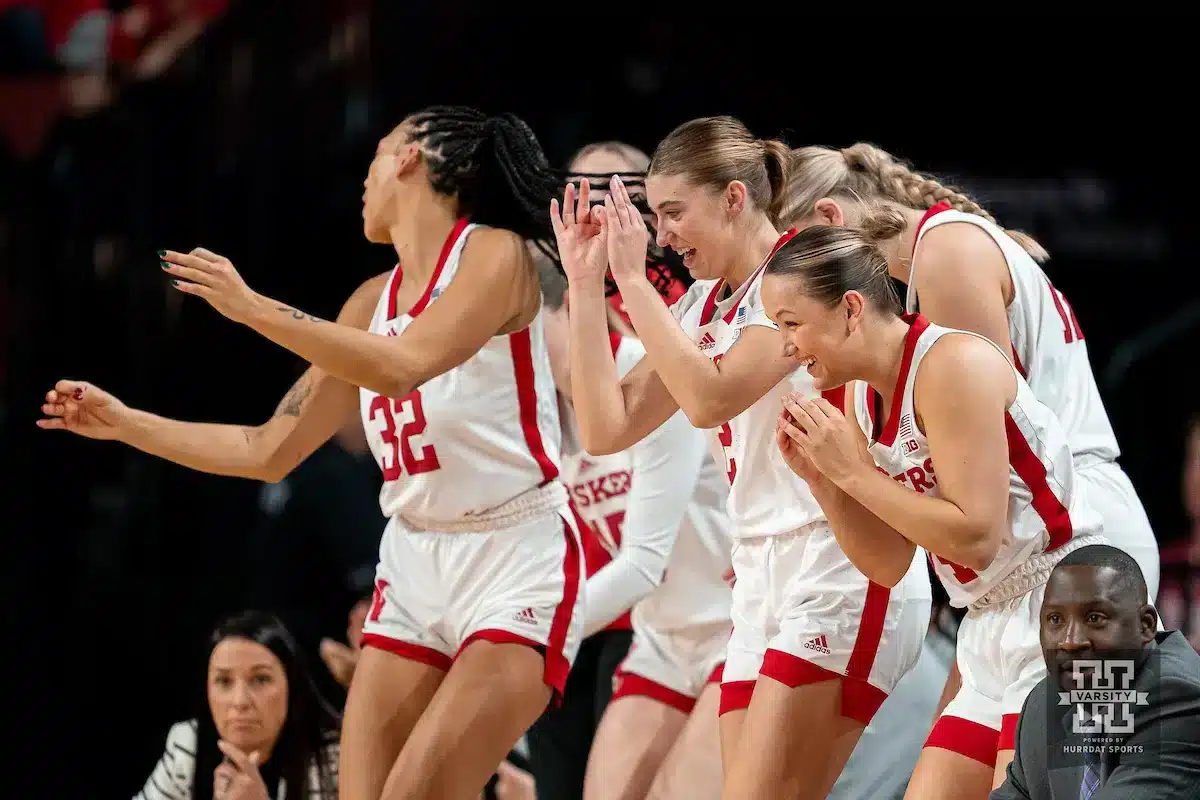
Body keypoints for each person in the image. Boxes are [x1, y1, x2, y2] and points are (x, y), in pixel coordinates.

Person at [41, 105, 583, 800]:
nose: (365, 178)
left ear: (411, 157)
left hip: (515, 557)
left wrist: (253, 308)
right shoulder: (368, 301)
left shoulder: (493, 254)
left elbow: (402, 365)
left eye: (376, 156)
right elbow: (266, 450)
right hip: (416, 561)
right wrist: (125, 424)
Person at [553, 115, 931, 800]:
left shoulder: (800, 274)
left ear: (734, 198)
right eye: (656, 216)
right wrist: (585, 285)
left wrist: (635, 286)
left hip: (839, 557)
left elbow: (710, 400)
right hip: (757, 575)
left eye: (674, 213)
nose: (662, 235)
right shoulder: (699, 305)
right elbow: (606, 426)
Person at [761, 221, 1106, 797]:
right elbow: (890, 561)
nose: (785, 346)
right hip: (990, 620)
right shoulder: (861, 398)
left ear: (850, 308)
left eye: (792, 324)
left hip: (1067, 606)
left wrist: (852, 473)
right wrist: (825, 484)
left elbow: (976, 537)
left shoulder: (950, 364)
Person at [781, 143, 1159, 598]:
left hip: (1068, 524)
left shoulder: (946, 257)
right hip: (1013, 561)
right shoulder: (901, 319)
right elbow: (902, 551)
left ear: (829, 220)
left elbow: (983, 500)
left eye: (796, 252)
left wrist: (855, 474)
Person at [529, 248, 733, 799]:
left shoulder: (651, 376)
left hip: (736, 632)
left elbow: (641, 566)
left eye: (518, 331)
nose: (508, 354)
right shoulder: (540, 413)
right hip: (662, 639)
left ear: (571, 309)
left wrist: (523, 637)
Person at [991, 544, 1200, 799]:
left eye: (1094, 618)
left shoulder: (1177, 699)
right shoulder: (1043, 705)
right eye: (1056, 619)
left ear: (1146, 625)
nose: (1070, 640)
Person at [135, 610, 340, 800]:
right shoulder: (189, 746)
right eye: (224, 682)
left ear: (292, 686)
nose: (240, 702)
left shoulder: (335, 758)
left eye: (260, 680)